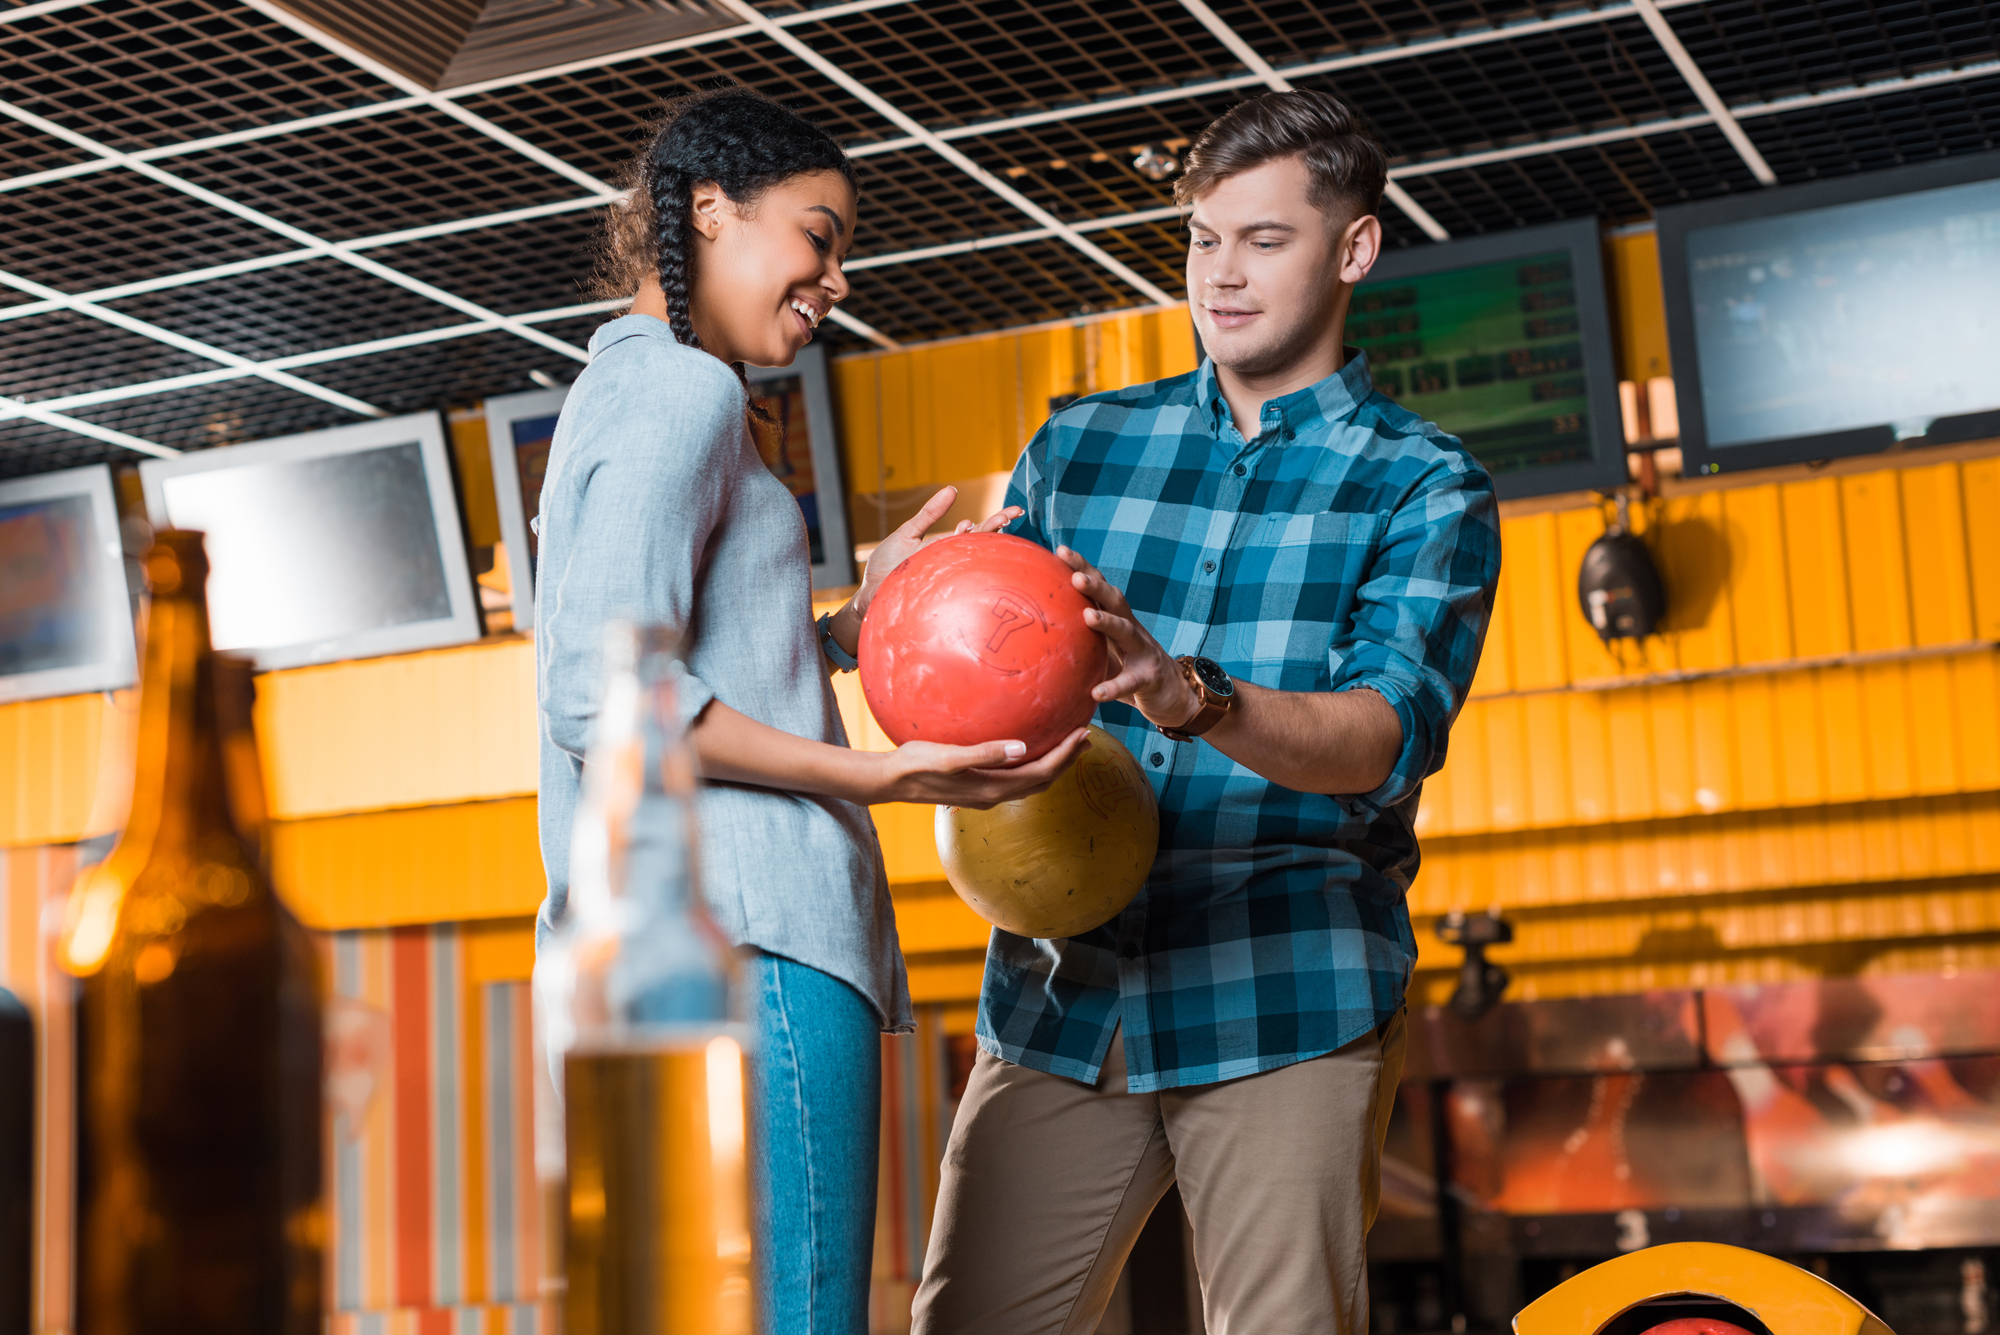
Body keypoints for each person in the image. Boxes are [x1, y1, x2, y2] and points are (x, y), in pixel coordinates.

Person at [911, 90, 1502, 1335]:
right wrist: (873, 621)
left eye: (1263, 241)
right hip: (1059, 996)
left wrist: (1193, 699)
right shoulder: (1075, 449)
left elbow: (1383, 740)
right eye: (1201, 239)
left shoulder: (1422, 483)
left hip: (1282, 987)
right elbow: (964, 668)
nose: (1220, 276)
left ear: (1352, 250)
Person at [533, 89, 1088, 1335]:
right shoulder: (687, 393)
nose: (835, 276)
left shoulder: (614, 392)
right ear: (710, 212)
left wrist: (843, 627)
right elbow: (600, 695)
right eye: (818, 235)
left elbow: (654, 659)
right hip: (755, 938)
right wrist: (881, 778)